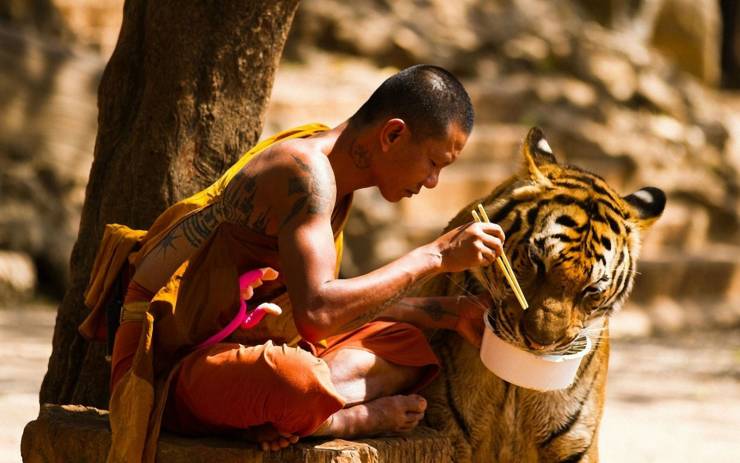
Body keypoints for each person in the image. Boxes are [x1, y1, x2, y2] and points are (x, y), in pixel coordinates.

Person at [80, 64, 505, 462]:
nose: (432, 182)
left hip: (254, 341)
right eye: (434, 163)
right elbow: (319, 313)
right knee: (293, 380)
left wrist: (447, 314)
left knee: (407, 345)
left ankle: (278, 413)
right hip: (175, 365)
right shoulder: (304, 174)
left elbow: (312, 303)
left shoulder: (337, 179)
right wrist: (434, 256)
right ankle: (335, 418)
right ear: (393, 135)